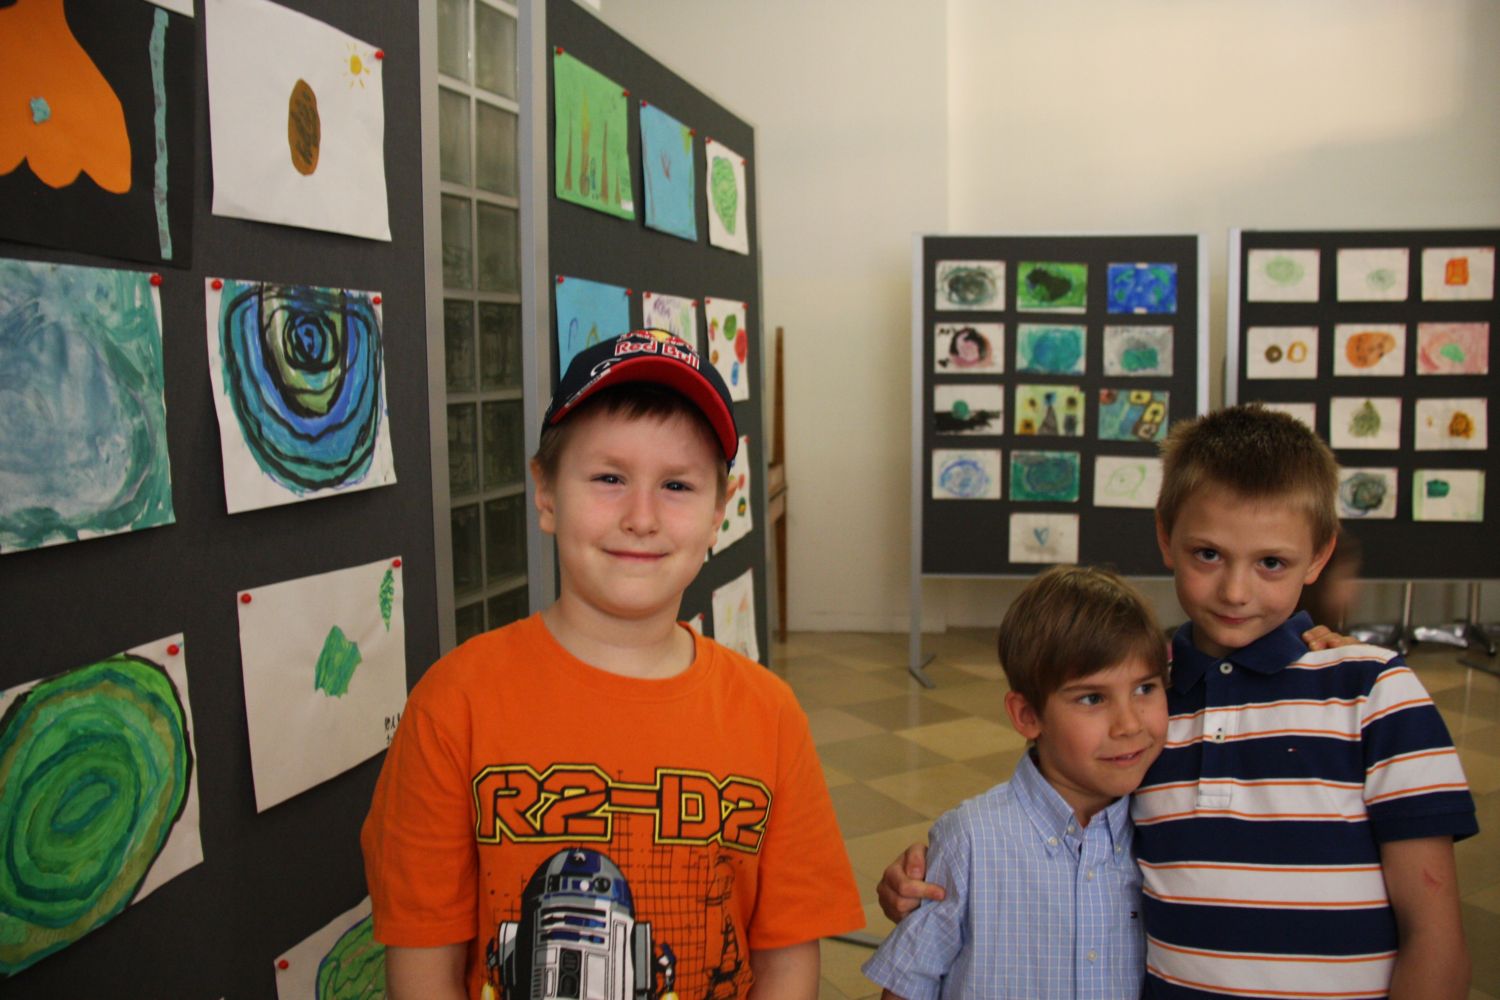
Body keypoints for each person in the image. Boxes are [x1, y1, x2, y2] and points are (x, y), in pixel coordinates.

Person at [879, 405, 1477, 999]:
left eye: (1271, 563)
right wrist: (939, 873)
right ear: (1166, 536)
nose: (1236, 592)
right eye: (1208, 555)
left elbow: (1434, 935)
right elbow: (1054, 821)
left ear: (1319, 556)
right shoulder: (1147, 702)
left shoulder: (1377, 695)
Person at [362, 330, 864, 1000]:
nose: (641, 517)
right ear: (546, 493)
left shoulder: (768, 714)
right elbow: (423, 965)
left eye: (677, 485)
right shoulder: (454, 703)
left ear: (719, 511)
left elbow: (788, 957)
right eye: (609, 478)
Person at [863, 565, 1169, 999]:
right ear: (1027, 716)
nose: (1130, 724)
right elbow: (909, 985)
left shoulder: (1166, 825)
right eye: (1092, 698)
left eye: (1145, 689)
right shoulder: (970, 840)